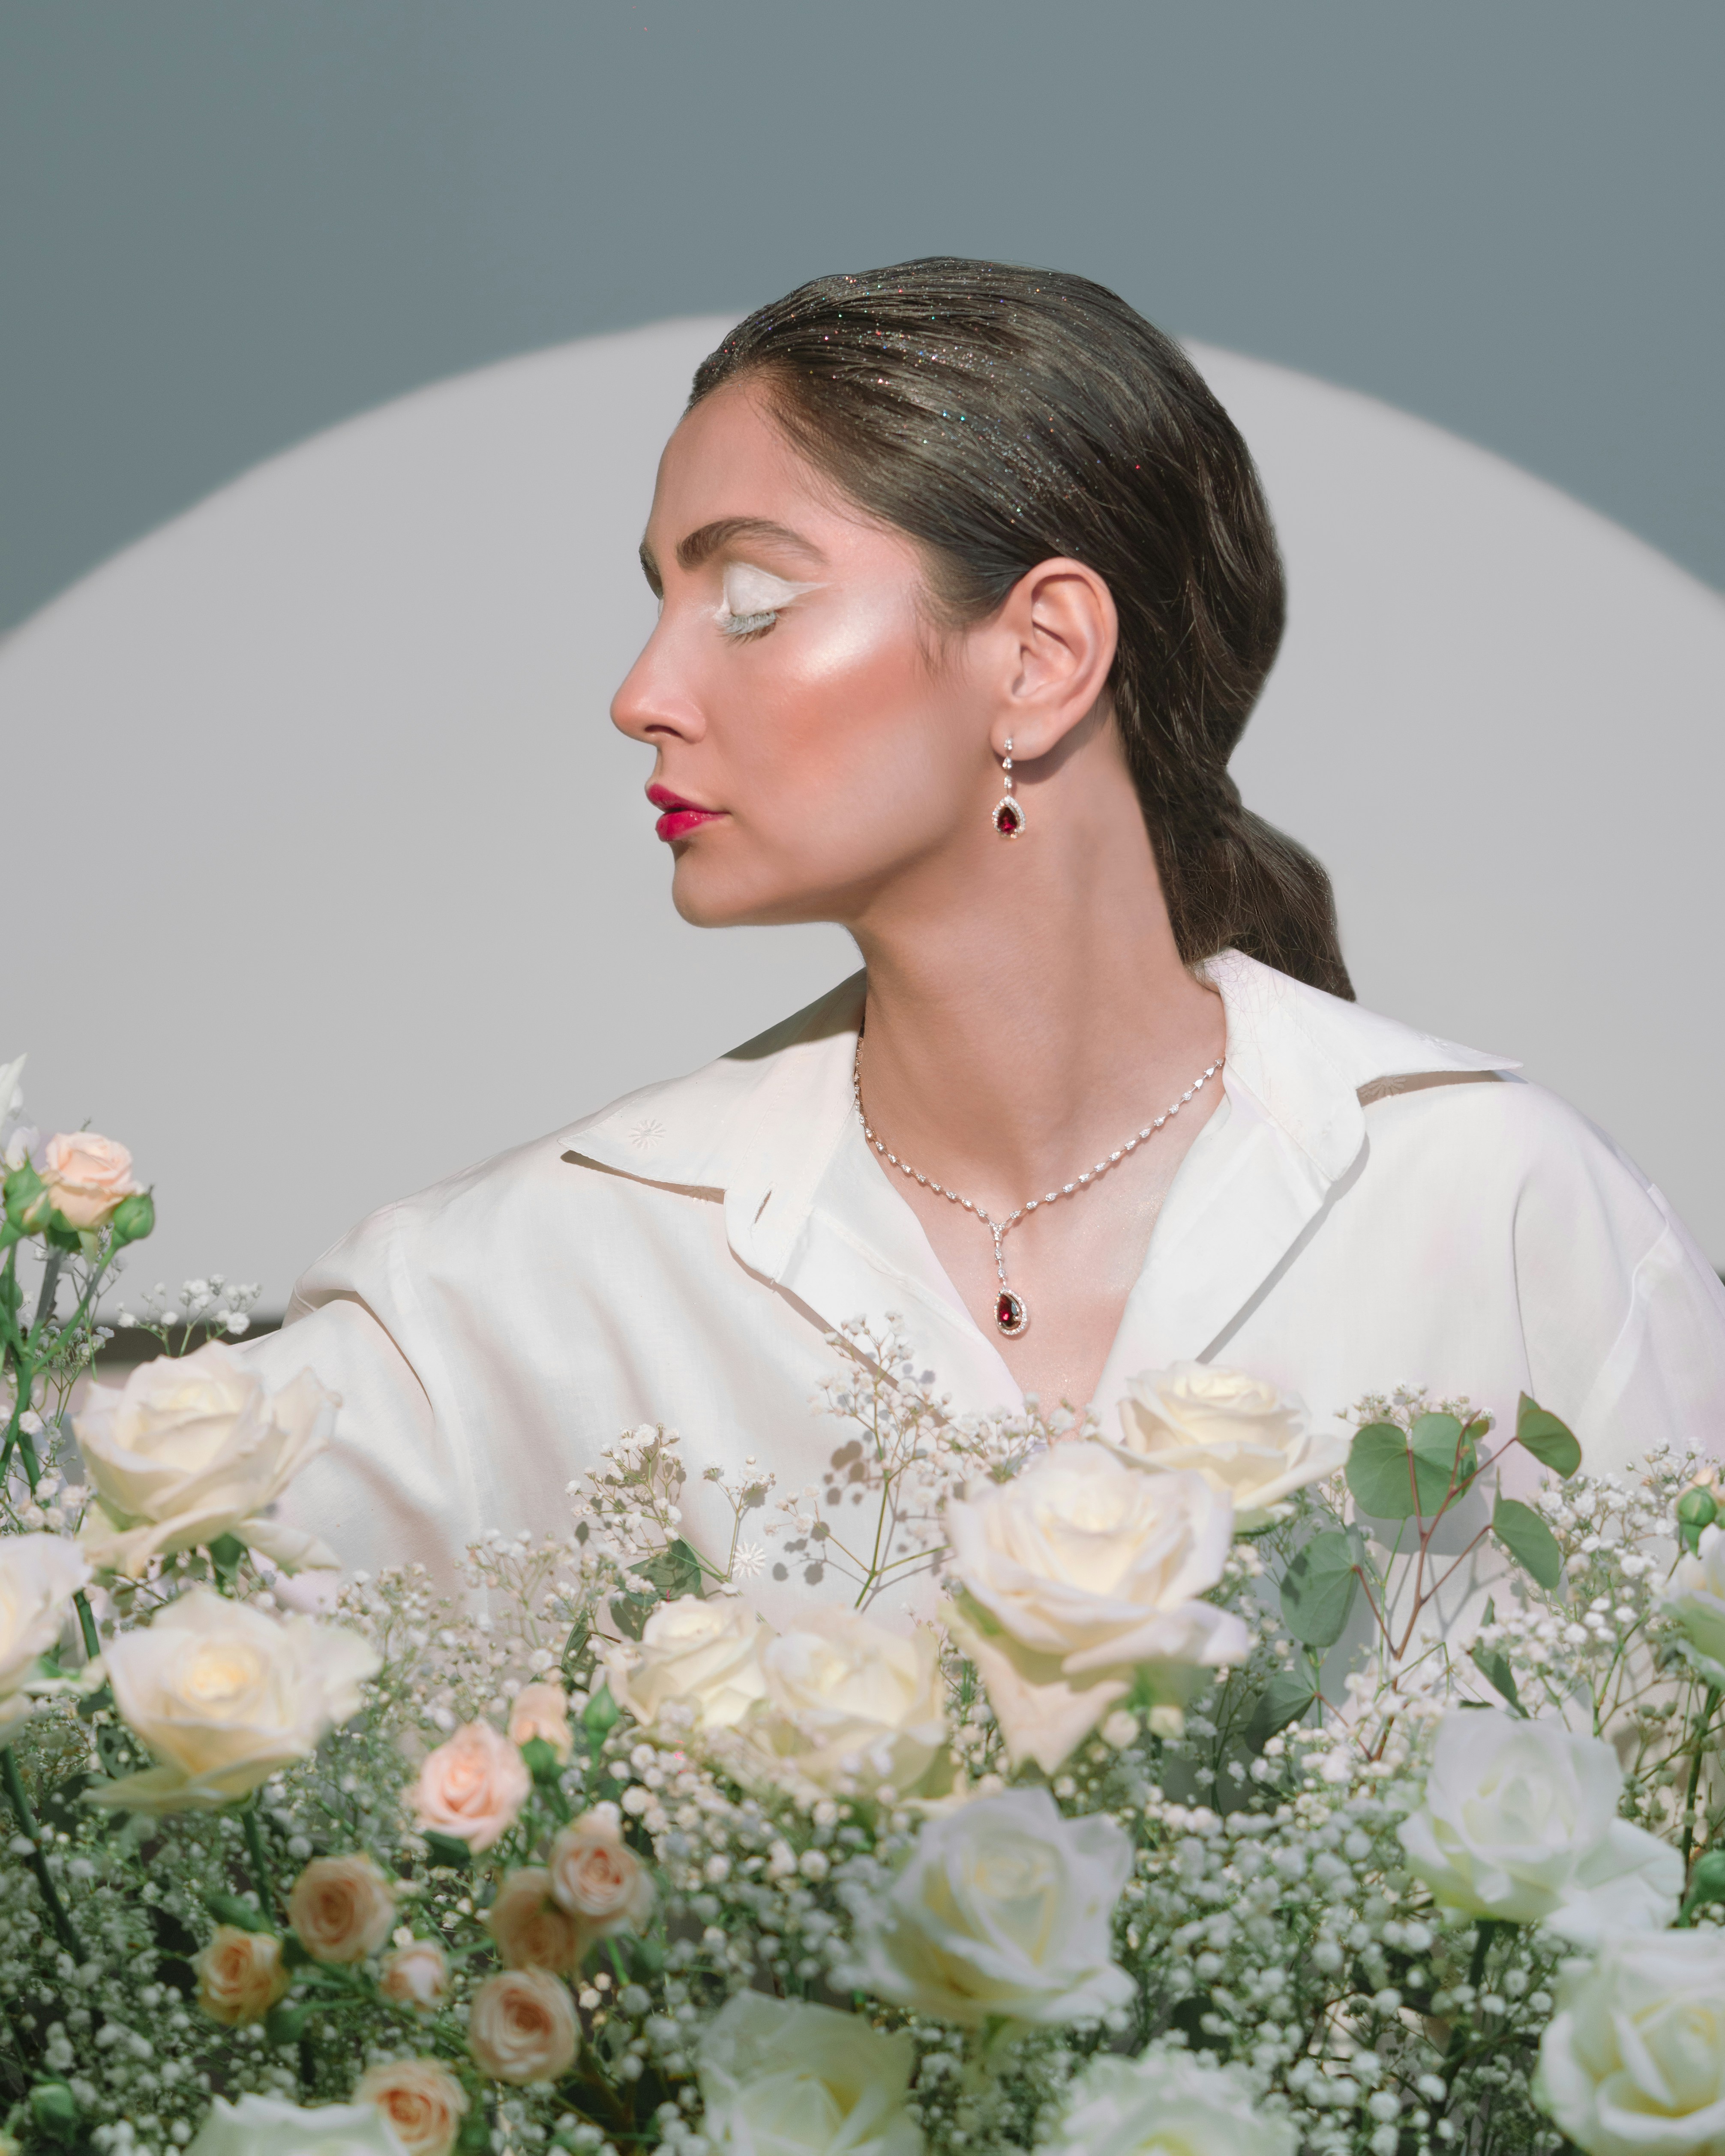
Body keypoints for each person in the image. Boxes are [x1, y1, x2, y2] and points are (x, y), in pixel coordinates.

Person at [254, 258, 1725, 1593]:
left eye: (750, 596)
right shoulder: (532, 1282)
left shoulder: (1502, 1213)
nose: (641, 692)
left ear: (1039, 654)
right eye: (661, 599)